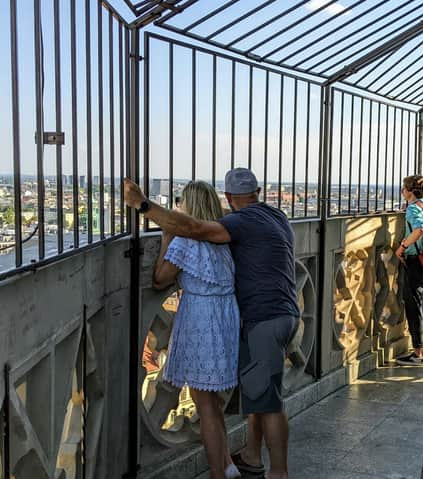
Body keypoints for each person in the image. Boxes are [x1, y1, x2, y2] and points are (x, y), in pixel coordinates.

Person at [125, 168, 299, 479]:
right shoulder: (269, 220)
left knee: (250, 402)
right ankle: (245, 459)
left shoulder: (231, 226)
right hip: (258, 315)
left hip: (237, 320)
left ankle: (268, 473)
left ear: (231, 198)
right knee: (251, 396)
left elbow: (161, 276)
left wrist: (151, 214)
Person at [151, 181, 241, 479]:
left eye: (180, 202)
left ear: (188, 207)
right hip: (226, 315)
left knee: (204, 405)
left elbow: (161, 279)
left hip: (202, 318)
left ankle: (218, 473)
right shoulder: (224, 235)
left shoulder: (185, 242)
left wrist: (167, 236)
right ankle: (227, 464)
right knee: (212, 401)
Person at [394, 175, 423, 366]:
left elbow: (420, 229)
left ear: (411, 191)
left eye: (404, 188)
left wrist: (402, 247)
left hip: (416, 260)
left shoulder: (413, 208)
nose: (402, 192)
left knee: (414, 305)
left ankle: (418, 351)